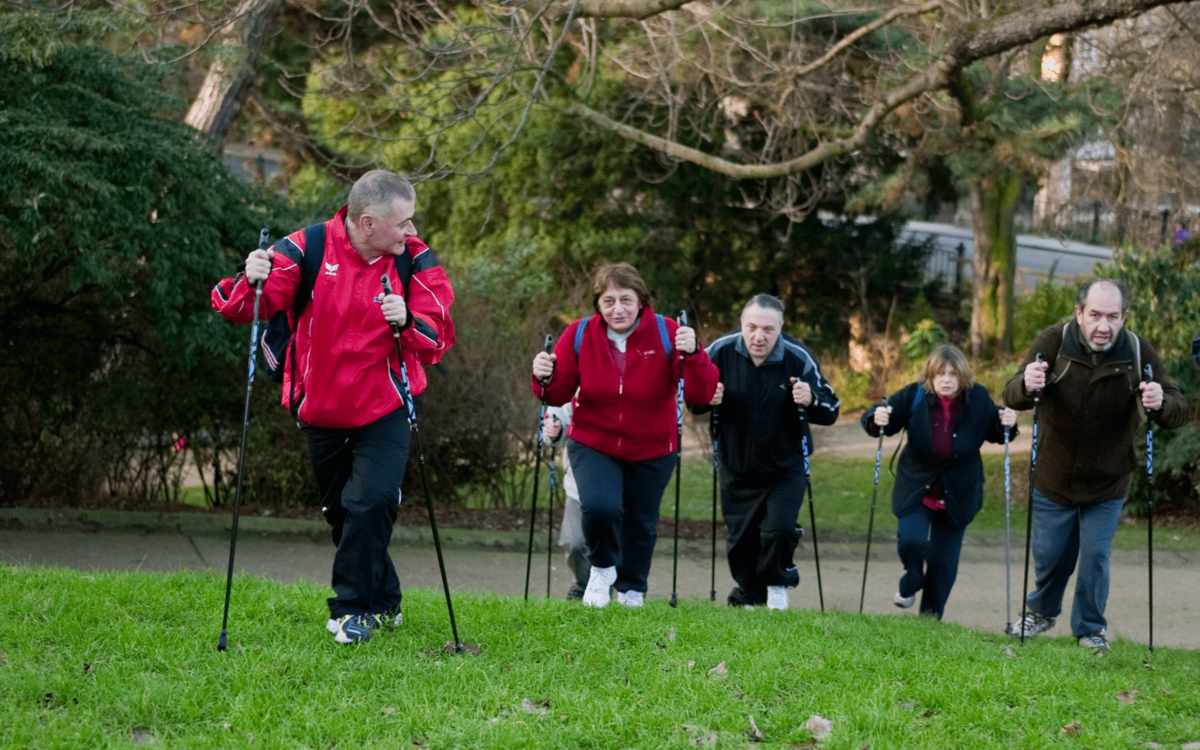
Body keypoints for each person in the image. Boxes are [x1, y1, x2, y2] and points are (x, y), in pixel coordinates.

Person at [211, 170, 455, 644]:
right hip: (319, 408)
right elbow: (238, 306)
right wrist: (251, 276)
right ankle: (385, 599)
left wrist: (408, 320)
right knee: (342, 513)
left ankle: (350, 612)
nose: (411, 232)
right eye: (403, 222)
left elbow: (439, 333)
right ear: (367, 223)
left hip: (384, 405)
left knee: (371, 500)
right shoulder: (306, 248)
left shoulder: (415, 259)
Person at [1003, 278, 1185, 650]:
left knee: (1095, 556)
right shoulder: (1054, 342)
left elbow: (1176, 409)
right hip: (1054, 476)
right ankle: (1040, 613)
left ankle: (1090, 628)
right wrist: (1027, 381)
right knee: (1051, 555)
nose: (1104, 326)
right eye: (1095, 315)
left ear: (1124, 317)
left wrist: (1159, 400)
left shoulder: (1137, 350)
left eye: (1113, 316)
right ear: (1079, 313)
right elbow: (1011, 394)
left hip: (1108, 480)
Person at [530, 262, 719, 608]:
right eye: (609, 301)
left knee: (640, 521)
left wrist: (693, 354)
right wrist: (542, 375)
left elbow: (701, 395)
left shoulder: (668, 332)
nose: (618, 309)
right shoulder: (579, 334)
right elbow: (556, 394)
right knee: (600, 508)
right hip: (593, 440)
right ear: (598, 305)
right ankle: (602, 570)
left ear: (642, 301)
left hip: (653, 446)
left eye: (626, 300)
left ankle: (632, 589)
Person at [692, 294, 840, 611]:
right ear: (743, 324)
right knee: (740, 540)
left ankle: (776, 585)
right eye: (752, 327)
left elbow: (831, 408)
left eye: (768, 330)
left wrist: (810, 398)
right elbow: (693, 399)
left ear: (780, 329)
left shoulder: (798, 358)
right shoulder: (719, 351)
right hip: (736, 464)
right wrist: (707, 396)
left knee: (779, 528)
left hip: (785, 467)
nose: (759, 337)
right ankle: (750, 593)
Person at [862, 345, 1017, 619]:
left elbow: (998, 430)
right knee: (912, 540)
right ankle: (911, 578)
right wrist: (876, 417)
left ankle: (930, 620)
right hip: (916, 488)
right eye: (940, 373)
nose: (946, 379)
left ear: (963, 376)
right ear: (930, 376)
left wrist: (1009, 422)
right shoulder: (915, 395)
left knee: (942, 564)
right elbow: (882, 418)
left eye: (953, 374)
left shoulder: (977, 397)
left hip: (958, 493)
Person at [543, 399, 589, 599]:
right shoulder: (573, 369)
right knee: (574, 542)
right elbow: (557, 414)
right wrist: (555, 429)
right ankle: (583, 584)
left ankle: (624, 595)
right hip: (579, 479)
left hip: (625, 473)